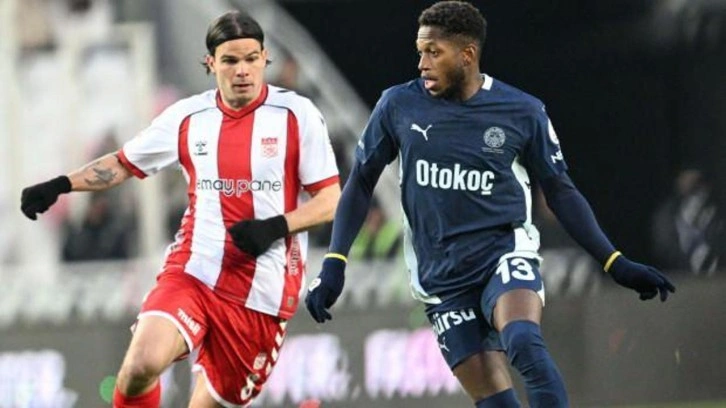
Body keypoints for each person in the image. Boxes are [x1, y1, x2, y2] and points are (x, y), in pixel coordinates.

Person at [304, 2, 675, 407]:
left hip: (503, 252)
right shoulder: (397, 105)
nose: (422, 64)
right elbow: (361, 181)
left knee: (523, 340)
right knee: (496, 401)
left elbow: (561, 192)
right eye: (420, 51)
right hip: (440, 277)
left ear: (467, 55)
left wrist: (614, 261)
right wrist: (334, 262)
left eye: (434, 52)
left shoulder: (521, 111)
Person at [21, 10, 341, 408]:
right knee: (140, 365)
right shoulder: (189, 117)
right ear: (211, 63)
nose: (242, 70)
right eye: (230, 60)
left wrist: (275, 227)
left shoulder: (297, 116)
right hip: (194, 270)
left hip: (260, 294)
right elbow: (124, 163)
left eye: (250, 58)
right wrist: (61, 185)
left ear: (264, 58)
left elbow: (331, 201)